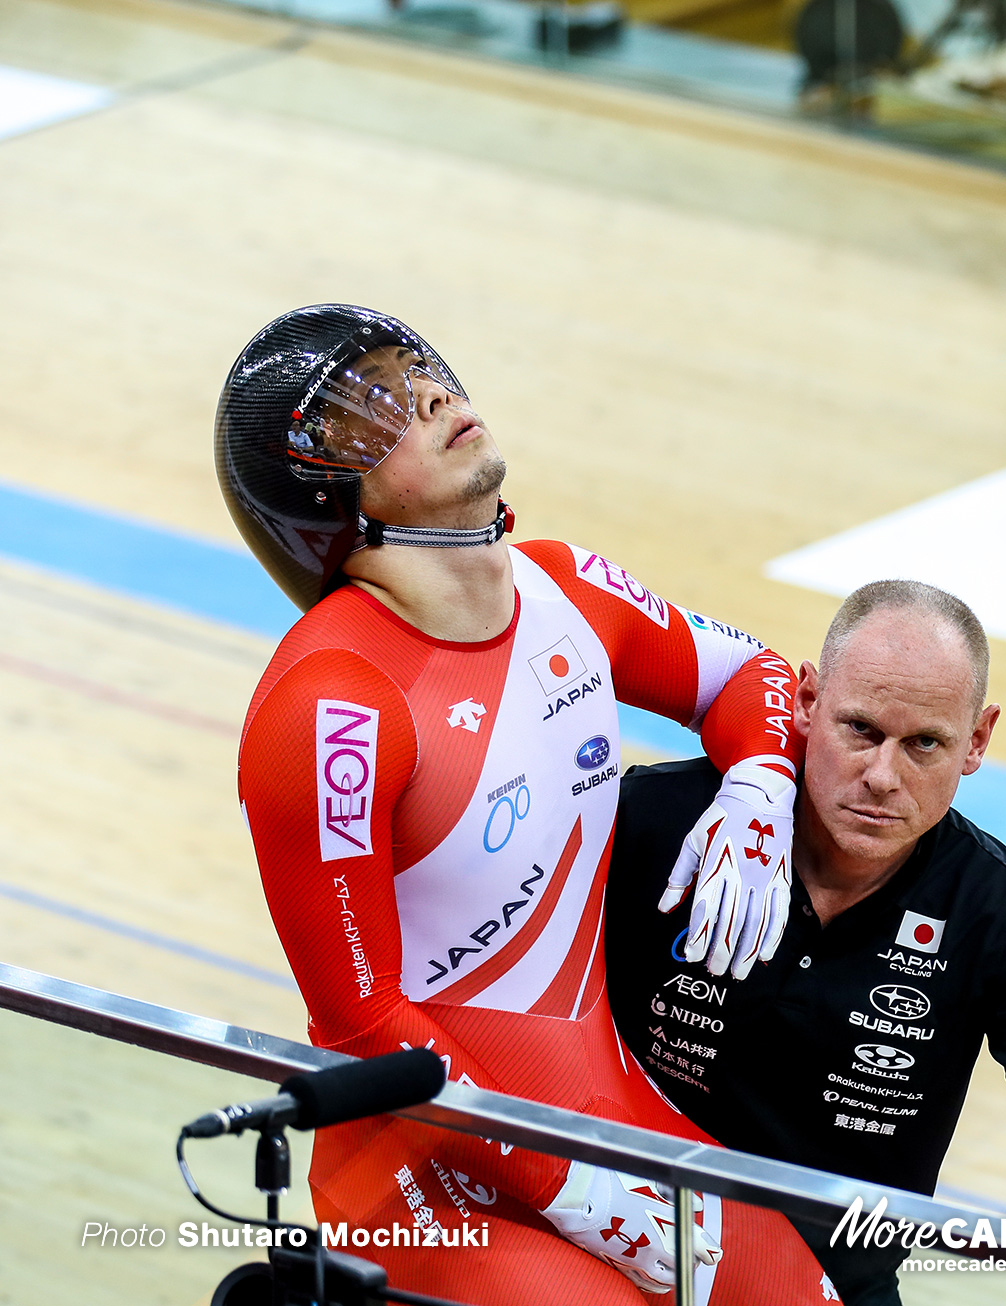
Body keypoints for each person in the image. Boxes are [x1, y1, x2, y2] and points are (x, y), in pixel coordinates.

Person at [219, 304, 834, 1304]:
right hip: (424, 1168)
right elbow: (362, 1015)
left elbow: (751, 675)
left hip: (591, 1111)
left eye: (418, 372)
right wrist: (571, 1183)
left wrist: (760, 782)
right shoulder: (329, 713)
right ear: (331, 500)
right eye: (373, 410)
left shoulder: (563, 585)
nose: (428, 394)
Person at [607, 580, 1006, 1305]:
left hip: (831, 1291)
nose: (882, 776)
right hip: (615, 1254)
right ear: (807, 702)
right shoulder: (655, 821)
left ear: (978, 741)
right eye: (861, 731)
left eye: (924, 745)